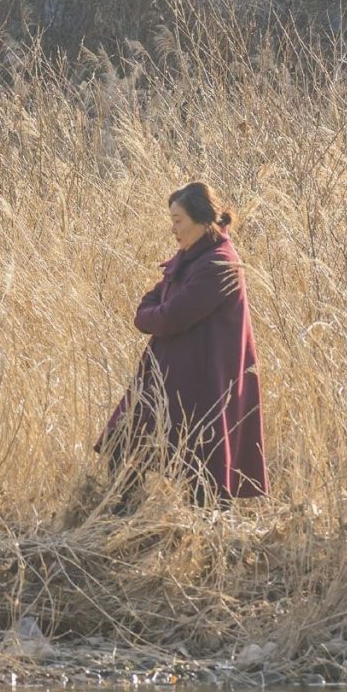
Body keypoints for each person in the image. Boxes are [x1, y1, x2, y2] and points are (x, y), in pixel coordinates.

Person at [100, 182, 267, 503]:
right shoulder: (193, 256)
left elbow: (169, 316)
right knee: (122, 443)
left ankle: (208, 542)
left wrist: (150, 316)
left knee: (205, 472)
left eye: (178, 220)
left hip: (200, 387)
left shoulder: (219, 263)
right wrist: (153, 313)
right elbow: (154, 301)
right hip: (172, 378)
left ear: (202, 219)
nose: (173, 228)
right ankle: (122, 522)